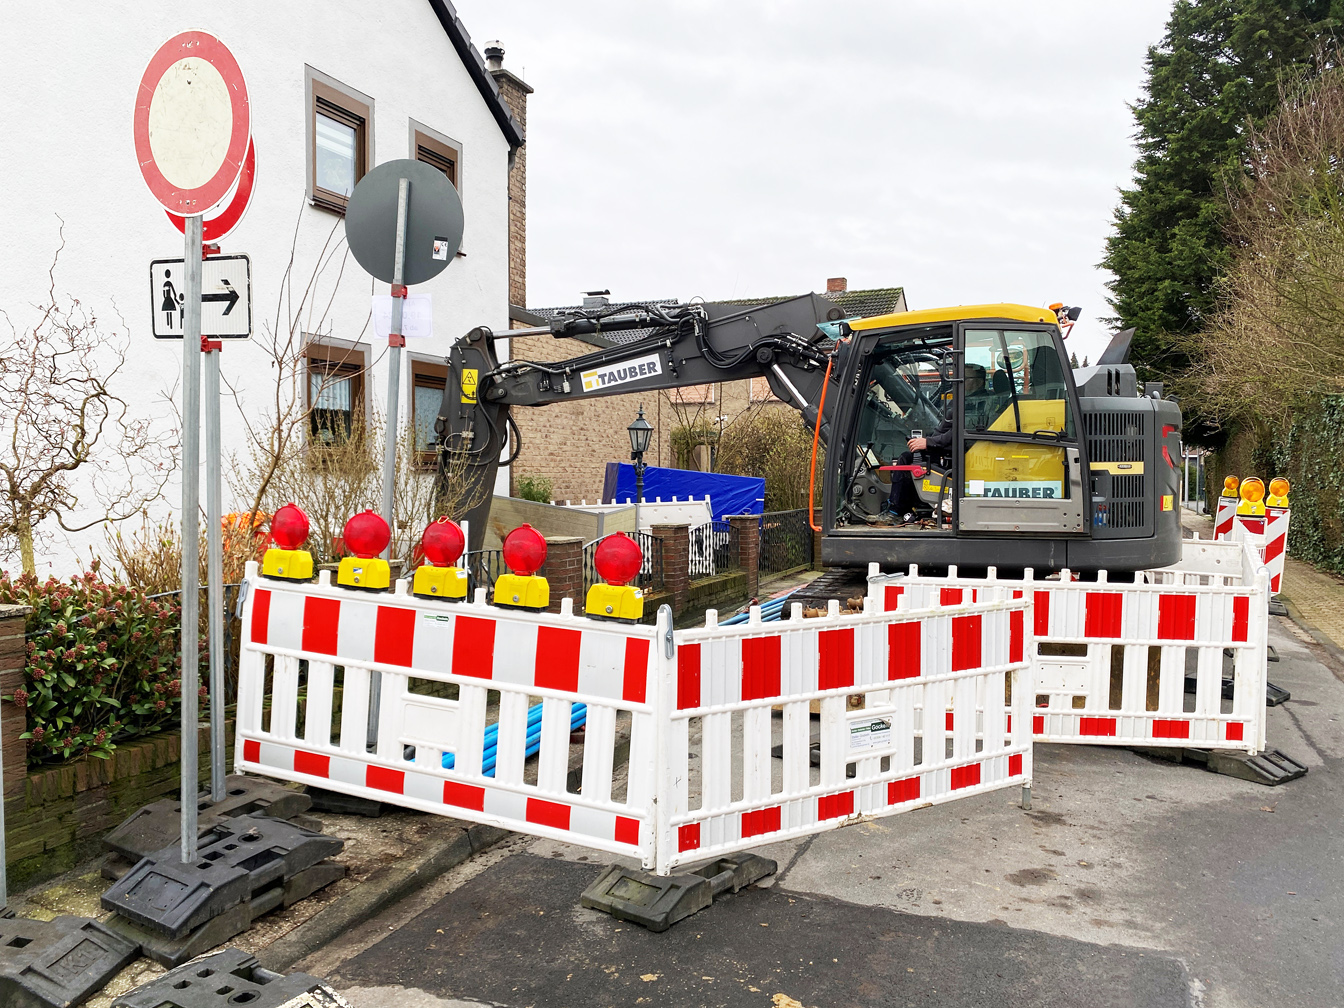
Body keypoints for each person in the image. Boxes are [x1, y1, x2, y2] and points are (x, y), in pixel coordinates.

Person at [886, 365, 989, 520]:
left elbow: (959, 434)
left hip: (960, 456)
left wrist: (928, 442)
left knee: (906, 460)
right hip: (949, 450)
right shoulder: (963, 400)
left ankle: (895, 511)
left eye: (965, 379)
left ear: (979, 382)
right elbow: (945, 429)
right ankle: (908, 510)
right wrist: (927, 440)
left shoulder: (978, 403)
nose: (960, 383)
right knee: (911, 457)